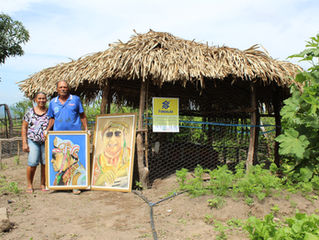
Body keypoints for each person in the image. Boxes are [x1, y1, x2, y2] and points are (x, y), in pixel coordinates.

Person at [46, 80, 89, 194]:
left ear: (68, 88)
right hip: (58, 134)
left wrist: (86, 129)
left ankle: (76, 186)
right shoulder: (52, 102)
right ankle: (59, 186)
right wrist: (47, 130)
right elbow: (52, 118)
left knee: (73, 160)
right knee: (61, 162)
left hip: (75, 134)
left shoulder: (75, 100)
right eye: (61, 87)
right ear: (57, 89)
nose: (63, 89)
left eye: (65, 87)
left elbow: (82, 115)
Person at [22, 92, 49, 193]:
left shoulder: (49, 112)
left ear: (46, 100)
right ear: (35, 100)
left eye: (43, 98)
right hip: (33, 140)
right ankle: (30, 184)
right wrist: (24, 143)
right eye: (39, 98)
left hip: (46, 141)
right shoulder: (29, 112)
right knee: (32, 163)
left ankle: (43, 184)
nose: (41, 100)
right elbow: (24, 127)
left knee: (45, 164)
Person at [92, 121, 131, 188]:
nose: (113, 139)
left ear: (123, 137)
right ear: (103, 138)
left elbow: (129, 170)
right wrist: (103, 177)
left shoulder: (128, 153)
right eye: (109, 135)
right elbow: (95, 184)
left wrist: (117, 174)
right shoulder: (98, 160)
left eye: (117, 134)